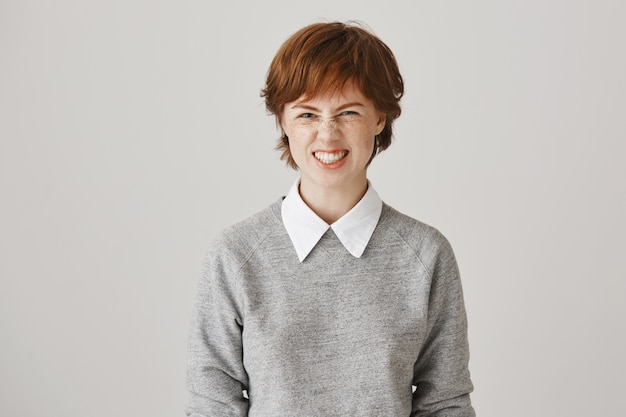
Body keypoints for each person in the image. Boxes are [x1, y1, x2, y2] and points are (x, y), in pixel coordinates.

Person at [186, 21, 475, 416]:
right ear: (283, 122)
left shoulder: (425, 255)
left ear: (379, 119)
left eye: (348, 112)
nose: (327, 134)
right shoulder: (235, 255)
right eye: (306, 114)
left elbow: (445, 403)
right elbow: (211, 406)